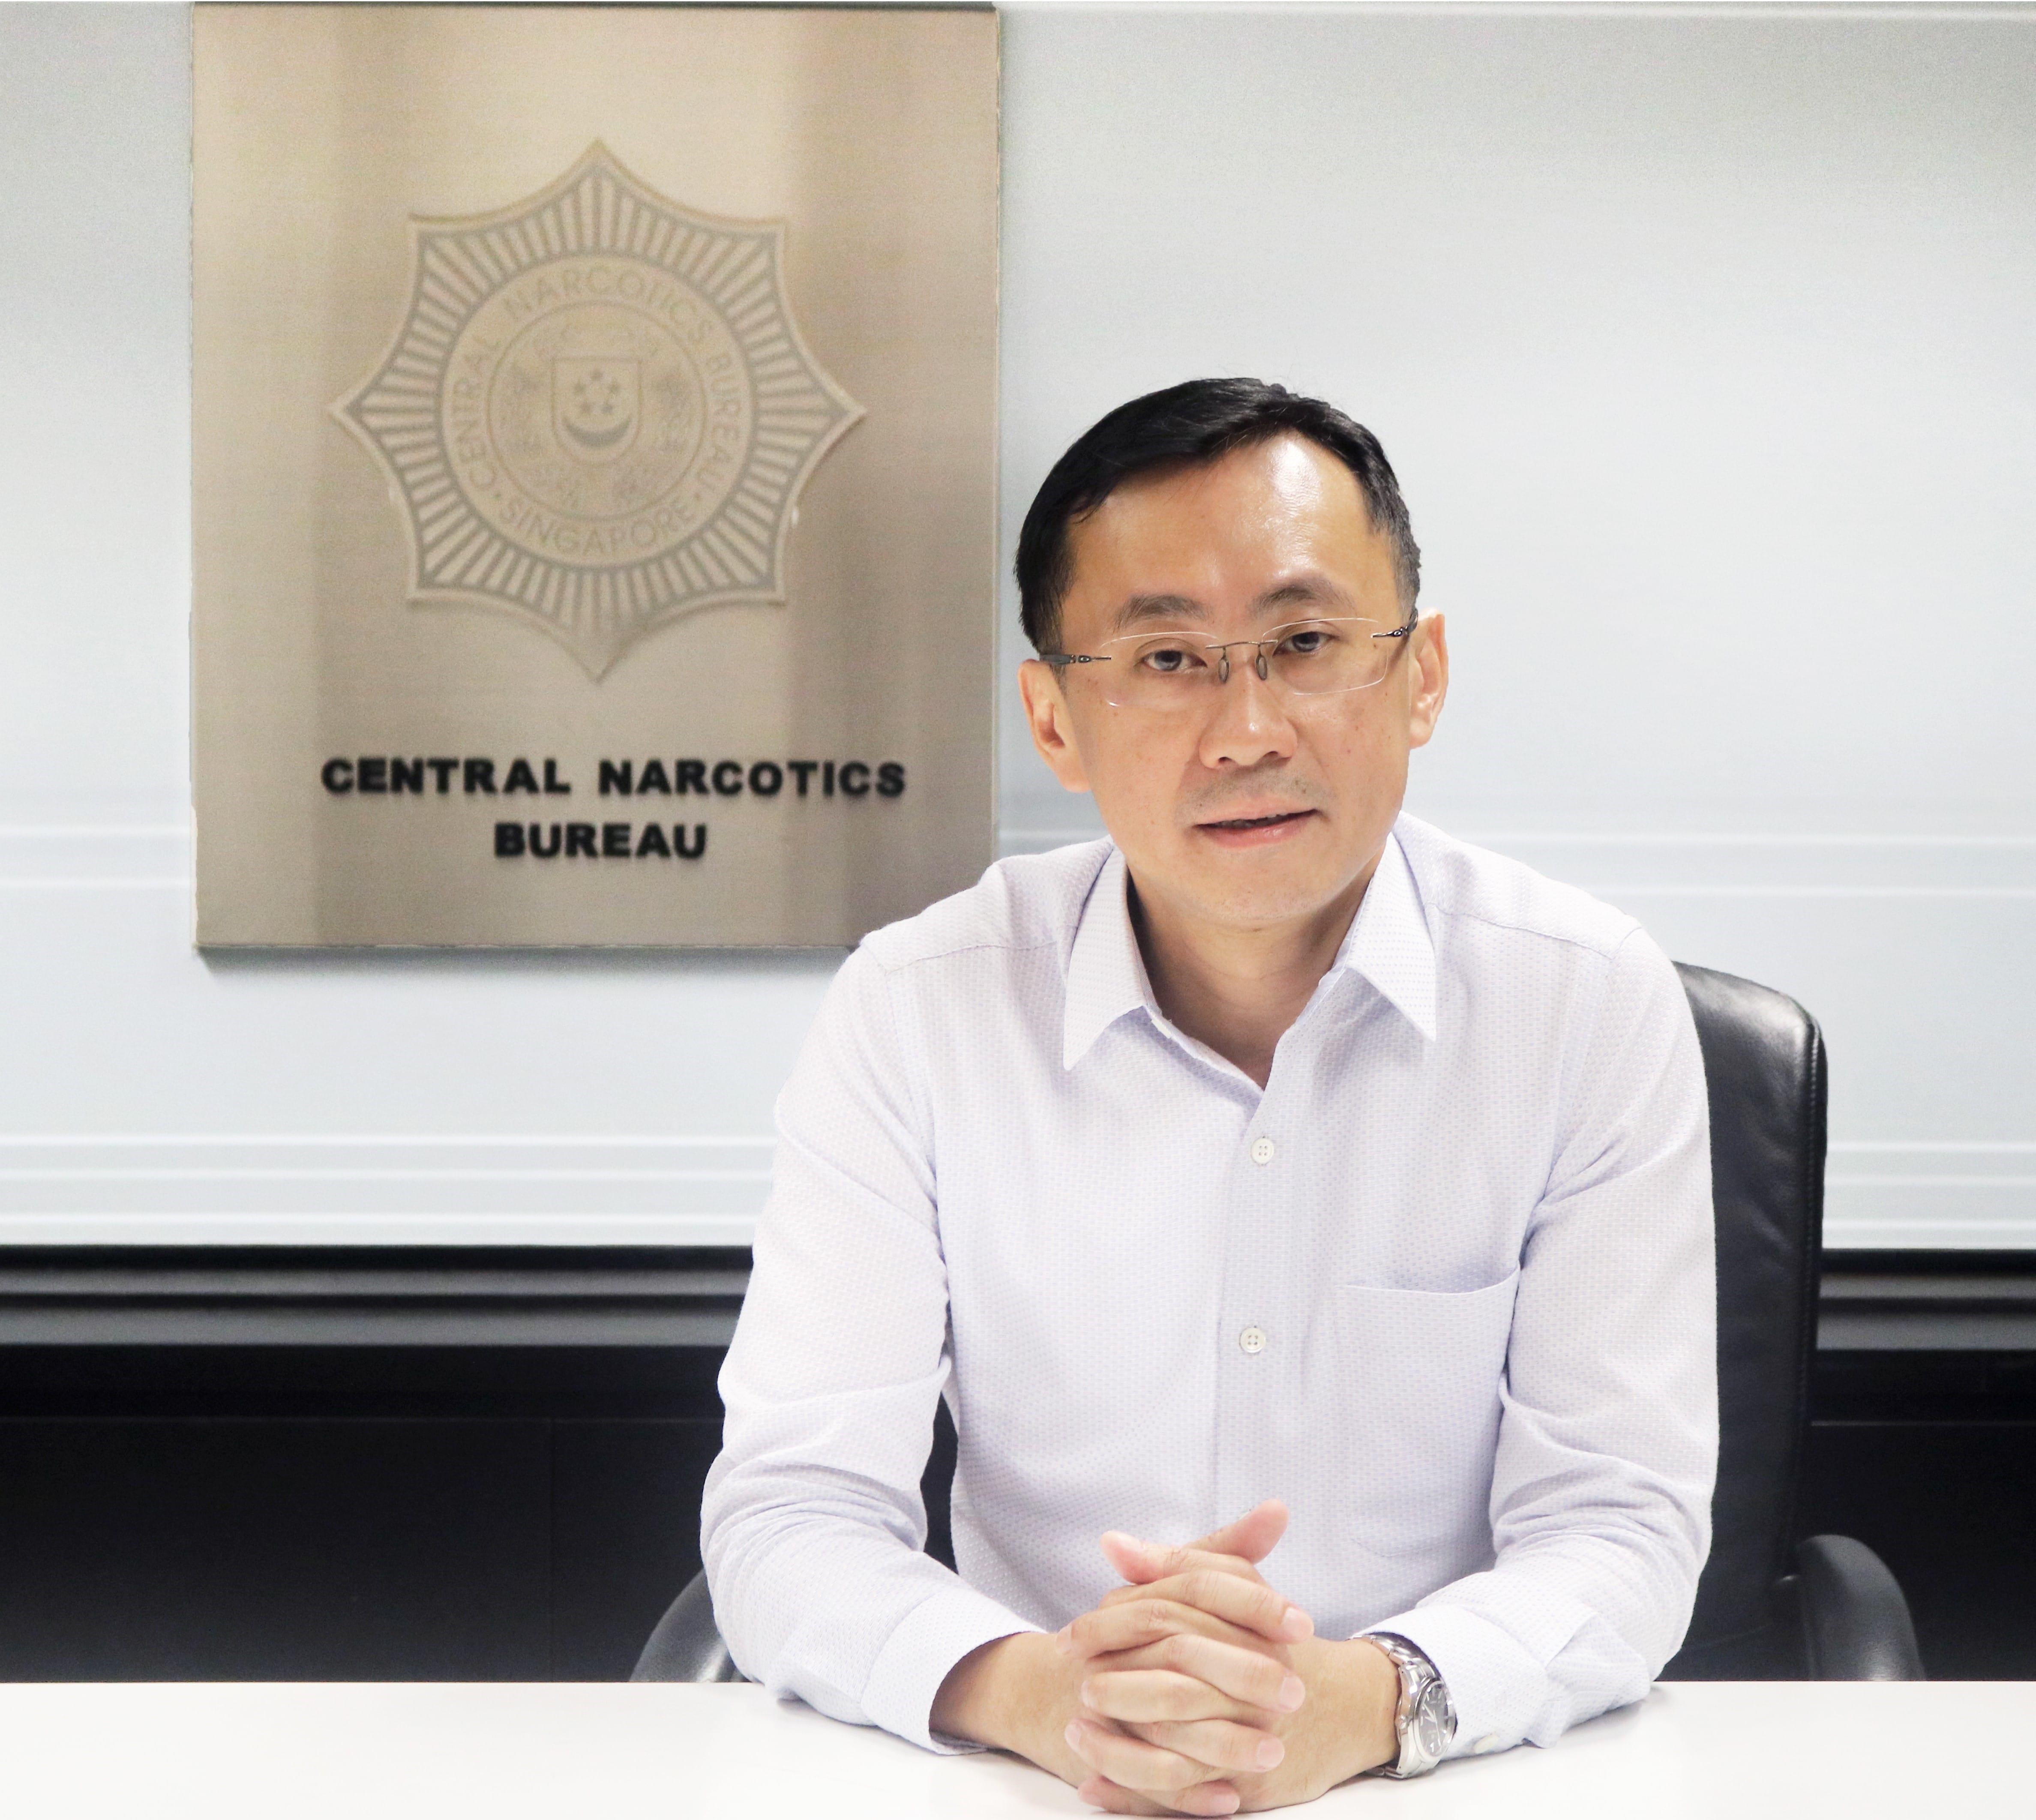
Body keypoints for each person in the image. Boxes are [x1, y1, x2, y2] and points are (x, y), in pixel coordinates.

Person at [702, 378, 1716, 1814]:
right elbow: (791, 1511)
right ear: (1053, 720)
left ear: (1422, 673)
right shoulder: (918, 1009)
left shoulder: (1587, 1004)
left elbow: (1619, 1524)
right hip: (1038, 1786)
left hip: (1444, 1778)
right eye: (1167, 658)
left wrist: (1362, 1702)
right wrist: (1041, 1693)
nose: (1247, 729)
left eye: (1304, 643)